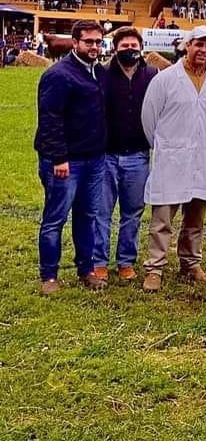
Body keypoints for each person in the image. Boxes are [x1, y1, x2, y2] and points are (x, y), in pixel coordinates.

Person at [141, 25, 206, 292]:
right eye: (197, 44)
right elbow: (148, 120)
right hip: (171, 158)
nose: (202, 50)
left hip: (201, 158)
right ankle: (155, 268)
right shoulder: (165, 79)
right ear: (186, 46)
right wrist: (168, 146)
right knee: (163, 219)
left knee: (195, 218)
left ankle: (191, 263)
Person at [34, 20, 108, 295]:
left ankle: (86, 269)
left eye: (99, 42)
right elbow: (50, 119)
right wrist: (58, 157)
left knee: (87, 216)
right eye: (89, 42)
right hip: (65, 162)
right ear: (75, 42)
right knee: (55, 218)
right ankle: (49, 276)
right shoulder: (59, 75)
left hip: (94, 159)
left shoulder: (99, 73)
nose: (94, 47)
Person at [93, 27, 158, 283]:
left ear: (140, 47)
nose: (130, 50)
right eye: (124, 46)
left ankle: (125, 261)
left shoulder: (152, 74)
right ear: (115, 48)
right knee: (102, 212)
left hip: (138, 156)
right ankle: (99, 262)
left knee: (132, 212)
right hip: (106, 155)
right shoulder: (102, 74)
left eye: (134, 46)